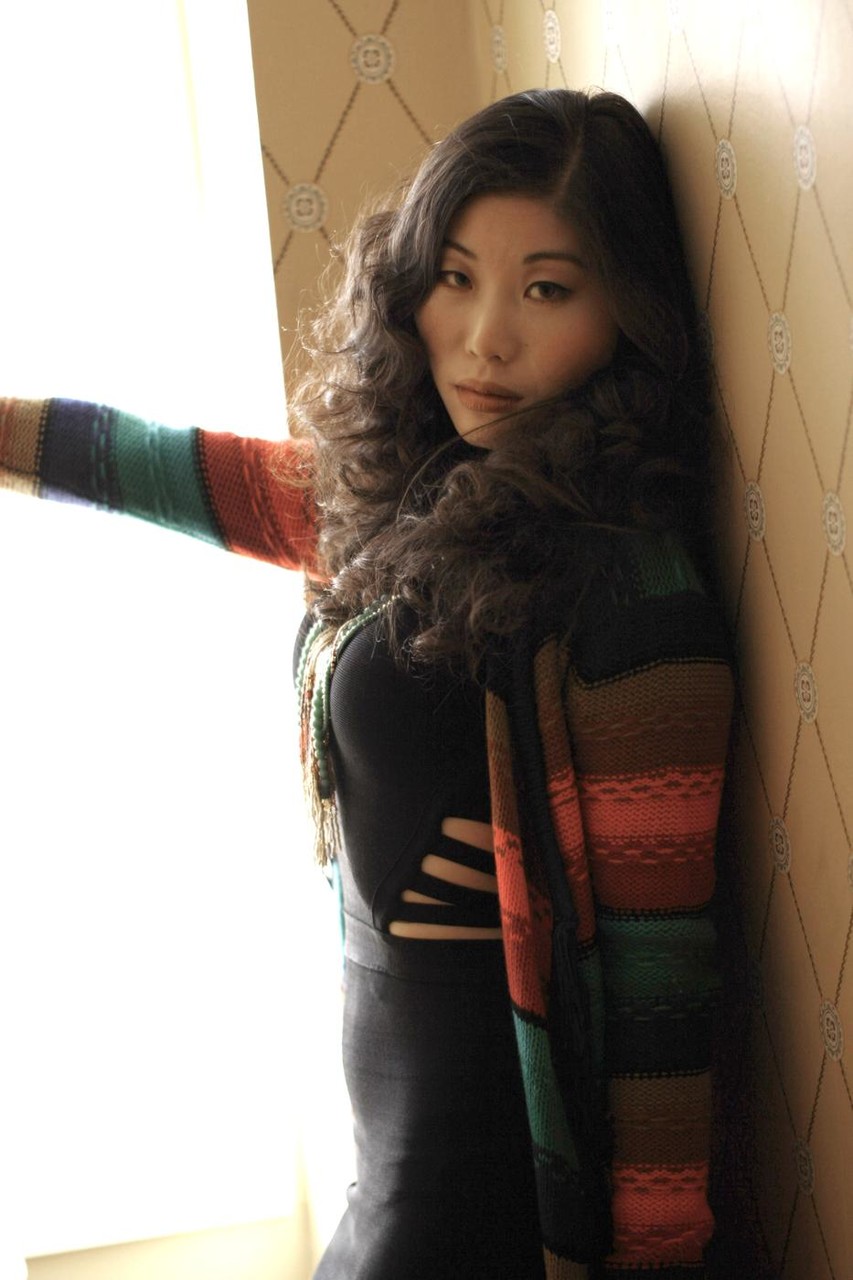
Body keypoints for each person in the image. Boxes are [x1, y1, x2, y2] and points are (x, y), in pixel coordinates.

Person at [0, 88, 733, 1278]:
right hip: (385, 1165)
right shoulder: (418, 500)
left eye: (547, 289)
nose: (486, 338)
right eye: (455, 277)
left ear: (628, 314)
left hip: (486, 1191)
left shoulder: (632, 592)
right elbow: (169, 467)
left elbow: (661, 998)